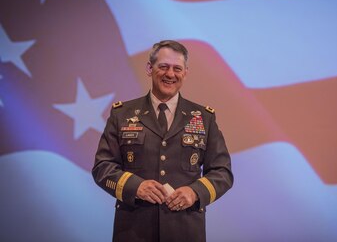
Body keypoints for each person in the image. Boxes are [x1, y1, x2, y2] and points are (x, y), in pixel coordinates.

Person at [92, 40, 234, 242]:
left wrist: (195, 192)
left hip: (185, 230)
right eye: (163, 67)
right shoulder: (122, 114)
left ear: (185, 73)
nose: (170, 74)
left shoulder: (204, 118)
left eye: (177, 68)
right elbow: (102, 167)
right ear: (150, 68)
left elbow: (223, 172)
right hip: (133, 230)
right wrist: (135, 187)